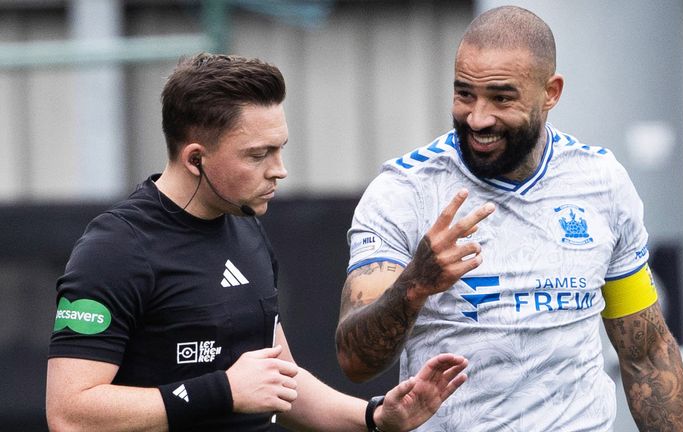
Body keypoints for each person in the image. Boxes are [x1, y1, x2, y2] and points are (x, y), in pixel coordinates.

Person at [46, 53, 469, 432]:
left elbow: (280, 379)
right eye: (257, 154)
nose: (279, 170)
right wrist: (222, 390)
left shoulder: (245, 227)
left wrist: (373, 418)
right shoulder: (115, 248)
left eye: (280, 149)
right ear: (196, 159)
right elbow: (70, 413)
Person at [335, 6, 683, 431]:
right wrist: (416, 283)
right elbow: (355, 361)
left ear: (551, 92)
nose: (479, 118)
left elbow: (645, 352)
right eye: (464, 94)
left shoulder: (602, 183)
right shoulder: (405, 191)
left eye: (501, 98)